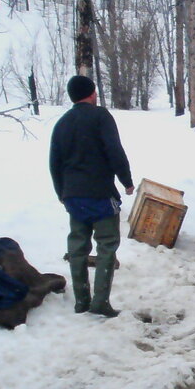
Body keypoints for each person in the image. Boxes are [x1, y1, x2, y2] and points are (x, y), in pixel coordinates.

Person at [49, 75, 134, 317]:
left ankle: (81, 301)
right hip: (99, 194)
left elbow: (54, 162)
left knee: (77, 248)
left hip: (73, 196)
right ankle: (100, 302)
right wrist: (126, 181)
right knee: (107, 245)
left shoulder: (62, 123)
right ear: (92, 93)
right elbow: (114, 150)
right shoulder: (100, 116)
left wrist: (62, 194)